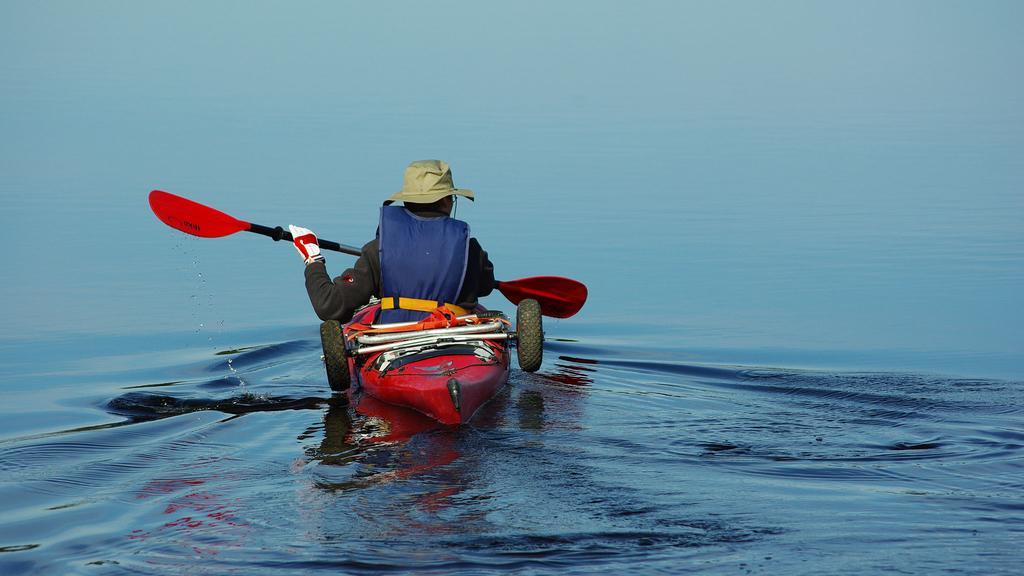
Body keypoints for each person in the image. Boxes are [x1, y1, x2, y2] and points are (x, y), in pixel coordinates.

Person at [288, 160, 496, 324]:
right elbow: (485, 286)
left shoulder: (377, 250)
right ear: (445, 200)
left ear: (406, 201)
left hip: (394, 343)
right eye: (452, 198)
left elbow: (329, 306)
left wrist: (313, 259)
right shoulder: (470, 249)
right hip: (456, 339)